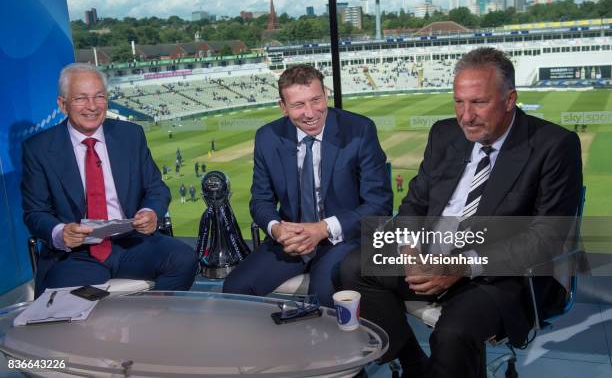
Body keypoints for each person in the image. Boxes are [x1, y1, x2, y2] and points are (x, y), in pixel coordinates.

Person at [340, 47, 583, 378]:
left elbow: (546, 240)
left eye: (479, 103)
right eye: (459, 102)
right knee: (352, 268)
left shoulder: (554, 145)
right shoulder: (444, 133)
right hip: (431, 251)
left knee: (454, 332)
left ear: (510, 99)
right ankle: (414, 364)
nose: (465, 116)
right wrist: (410, 250)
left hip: (502, 273)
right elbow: (414, 203)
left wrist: (460, 265)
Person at [21, 63, 197, 297]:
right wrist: (61, 232)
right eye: (81, 98)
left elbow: (156, 188)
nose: (92, 106)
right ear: (62, 105)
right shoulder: (39, 149)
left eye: (99, 97)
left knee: (184, 259)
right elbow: (35, 213)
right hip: (76, 254)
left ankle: (153, 322)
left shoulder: (131, 135)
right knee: (63, 305)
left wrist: (151, 212)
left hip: (131, 243)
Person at [223, 64, 393, 307]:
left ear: (326, 94)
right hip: (292, 240)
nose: (311, 112)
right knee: (234, 288)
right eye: (298, 105)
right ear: (283, 107)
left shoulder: (359, 130)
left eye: (316, 100)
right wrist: (277, 230)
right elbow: (261, 200)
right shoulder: (267, 137)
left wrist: (323, 229)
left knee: (322, 295)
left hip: (344, 238)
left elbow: (379, 205)